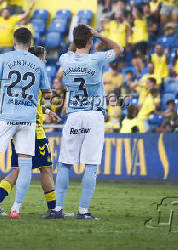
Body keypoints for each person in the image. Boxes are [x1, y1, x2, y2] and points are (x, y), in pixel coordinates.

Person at [47, 24, 123, 219]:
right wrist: (97, 34)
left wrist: (81, 36)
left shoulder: (65, 59)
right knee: (91, 164)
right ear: (90, 41)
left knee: (64, 163)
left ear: (75, 40)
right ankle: (83, 211)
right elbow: (118, 49)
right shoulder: (97, 59)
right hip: (93, 116)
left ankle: (58, 209)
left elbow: (72, 49)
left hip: (73, 116)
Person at [0, 27, 52, 219]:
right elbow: (48, 93)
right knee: (25, 165)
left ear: (14, 41)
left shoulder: (4, 58)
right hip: (28, 120)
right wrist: (46, 106)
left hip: (6, 116)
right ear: (30, 41)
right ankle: (16, 209)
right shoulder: (38, 63)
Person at [0, 45, 61, 218]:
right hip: (34, 130)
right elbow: (44, 96)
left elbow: (37, 102)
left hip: (16, 126)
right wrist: (46, 109)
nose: (46, 60)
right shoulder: (39, 72)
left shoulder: (22, 72)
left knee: (16, 170)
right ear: (39, 58)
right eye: (44, 57)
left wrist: (48, 111)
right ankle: (53, 209)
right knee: (46, 168)